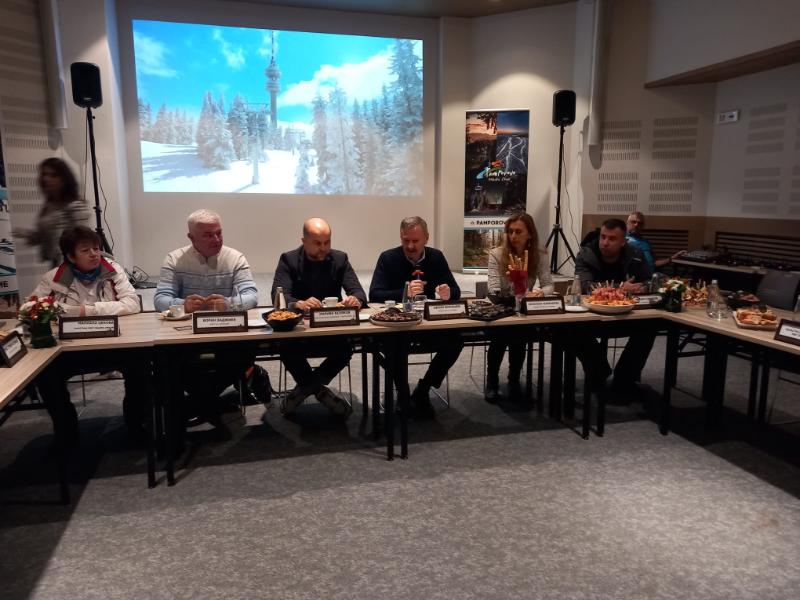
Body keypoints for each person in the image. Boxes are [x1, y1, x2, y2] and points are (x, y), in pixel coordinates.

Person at [154, 209, 270, 429]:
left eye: (219, 233)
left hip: (226, 332)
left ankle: (201, 401)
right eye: (208, 235)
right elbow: (160, 299)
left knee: (245, 352)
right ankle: (208, 401)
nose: (216, 239)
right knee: (169, 360)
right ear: (191, 238)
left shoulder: (235, 257)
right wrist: (182, 304)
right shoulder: (175, 259)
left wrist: (229, 303)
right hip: (188, 334)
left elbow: (252, 296)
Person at [32, 226, 144, 447]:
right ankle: (66, 432)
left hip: (114, 344)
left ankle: (136, 425)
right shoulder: (55, 278)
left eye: (96, 248)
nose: (94, 254)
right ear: (71, 256)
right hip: (71, 349)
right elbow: (35, 308)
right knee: (45, 374)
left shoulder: (111, 270)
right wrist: (55, 312)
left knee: (141, 362)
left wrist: (86, 311)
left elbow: (132, 304)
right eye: (86, 250)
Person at [369, 216, 463, 419]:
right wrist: (404, 292)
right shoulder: (388, 258)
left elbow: (455, 291)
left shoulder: (436, 257)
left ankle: (423, 389)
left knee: (455, 341)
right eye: (406, 240)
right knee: (393, 346)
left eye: (415, 241)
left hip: (429, 326)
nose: (410, 246)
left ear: (426, 238)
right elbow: (374, 294)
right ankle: (402, 393)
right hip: (398, 327)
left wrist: (447, 292)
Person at [271, 217, 366, 417]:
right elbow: (278, 296)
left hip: (332, 329)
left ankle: (304, 390)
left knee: (345, 348)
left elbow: (358, 292)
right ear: (304, 241)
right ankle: (321, 392)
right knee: (285, 347)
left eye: (327, 242)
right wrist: (298, 303)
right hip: (299, 332)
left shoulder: (340, 258)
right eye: (317, 243)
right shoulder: (288, 259)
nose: (323, 248)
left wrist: (354, 300)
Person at [574, 218, 656, 396]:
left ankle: (624, 380)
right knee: (572, 329)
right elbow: (585, 286)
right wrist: (620, 288)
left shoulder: (635, 254)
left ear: (623, 241)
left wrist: (642, 287)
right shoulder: (586, 254)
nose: (605, 242)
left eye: (612, 239)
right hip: (592, 316)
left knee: (650, 326)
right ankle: (599, 372)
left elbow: (650, 280)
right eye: (603, 237)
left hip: (625, 314)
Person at [485, 212, 553, 403]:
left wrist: (540, 292)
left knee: (520, 333)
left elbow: (549, 284)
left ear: (529, 234)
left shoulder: (539, 254)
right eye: (510, 231)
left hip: (524, 309)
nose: (513, 236)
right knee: (502, 333)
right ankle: (492, 381)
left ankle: (514, 379)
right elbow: (493, 289)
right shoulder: (497, 254)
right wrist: (514, 286)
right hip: (501, 307)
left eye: (518, 232)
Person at [15, 158, 88, 266]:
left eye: (53, 175)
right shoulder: (49, 205)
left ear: (65, 179)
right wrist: (28, 235)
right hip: (55, 264)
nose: (46, 179)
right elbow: (46, 236)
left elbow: (83, 241)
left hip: (71, 265)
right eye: (44, 174)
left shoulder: (75, 206)